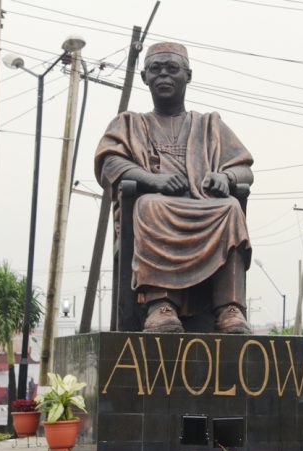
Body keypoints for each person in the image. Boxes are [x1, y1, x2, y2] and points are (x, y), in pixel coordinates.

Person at [95, 42, 253, 334]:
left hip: (204, 207)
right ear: (144, 77)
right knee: (149, 204)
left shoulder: (210, 125)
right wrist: (152, 180)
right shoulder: (129, 124)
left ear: (188, 75)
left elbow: (244, 168)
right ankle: (160, 304)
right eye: (155, 69)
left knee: (231, 207)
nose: (163, 75)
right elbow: (110, 163)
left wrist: (226, 177)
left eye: (172, 68)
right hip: (158, 210)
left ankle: (229, 308)